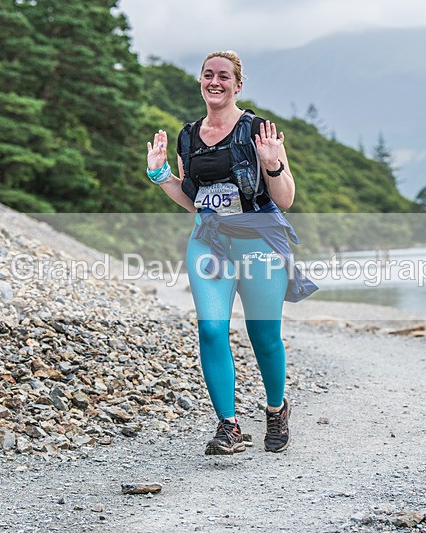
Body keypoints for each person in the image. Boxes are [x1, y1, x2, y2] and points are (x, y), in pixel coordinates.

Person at [145, 51, 317, 455]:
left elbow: (286, 199)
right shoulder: (188, 136)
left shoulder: (259, 130)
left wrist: (273, 166)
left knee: (263, 334)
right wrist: (162, 176)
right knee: (210, 328)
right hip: (210, 239)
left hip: (258, 238)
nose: (215, 82)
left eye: (224, 76)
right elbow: (193, 202)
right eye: (208, 75)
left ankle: (276, 409)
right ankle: (229, 425)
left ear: (238, 84)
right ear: (201, 81)